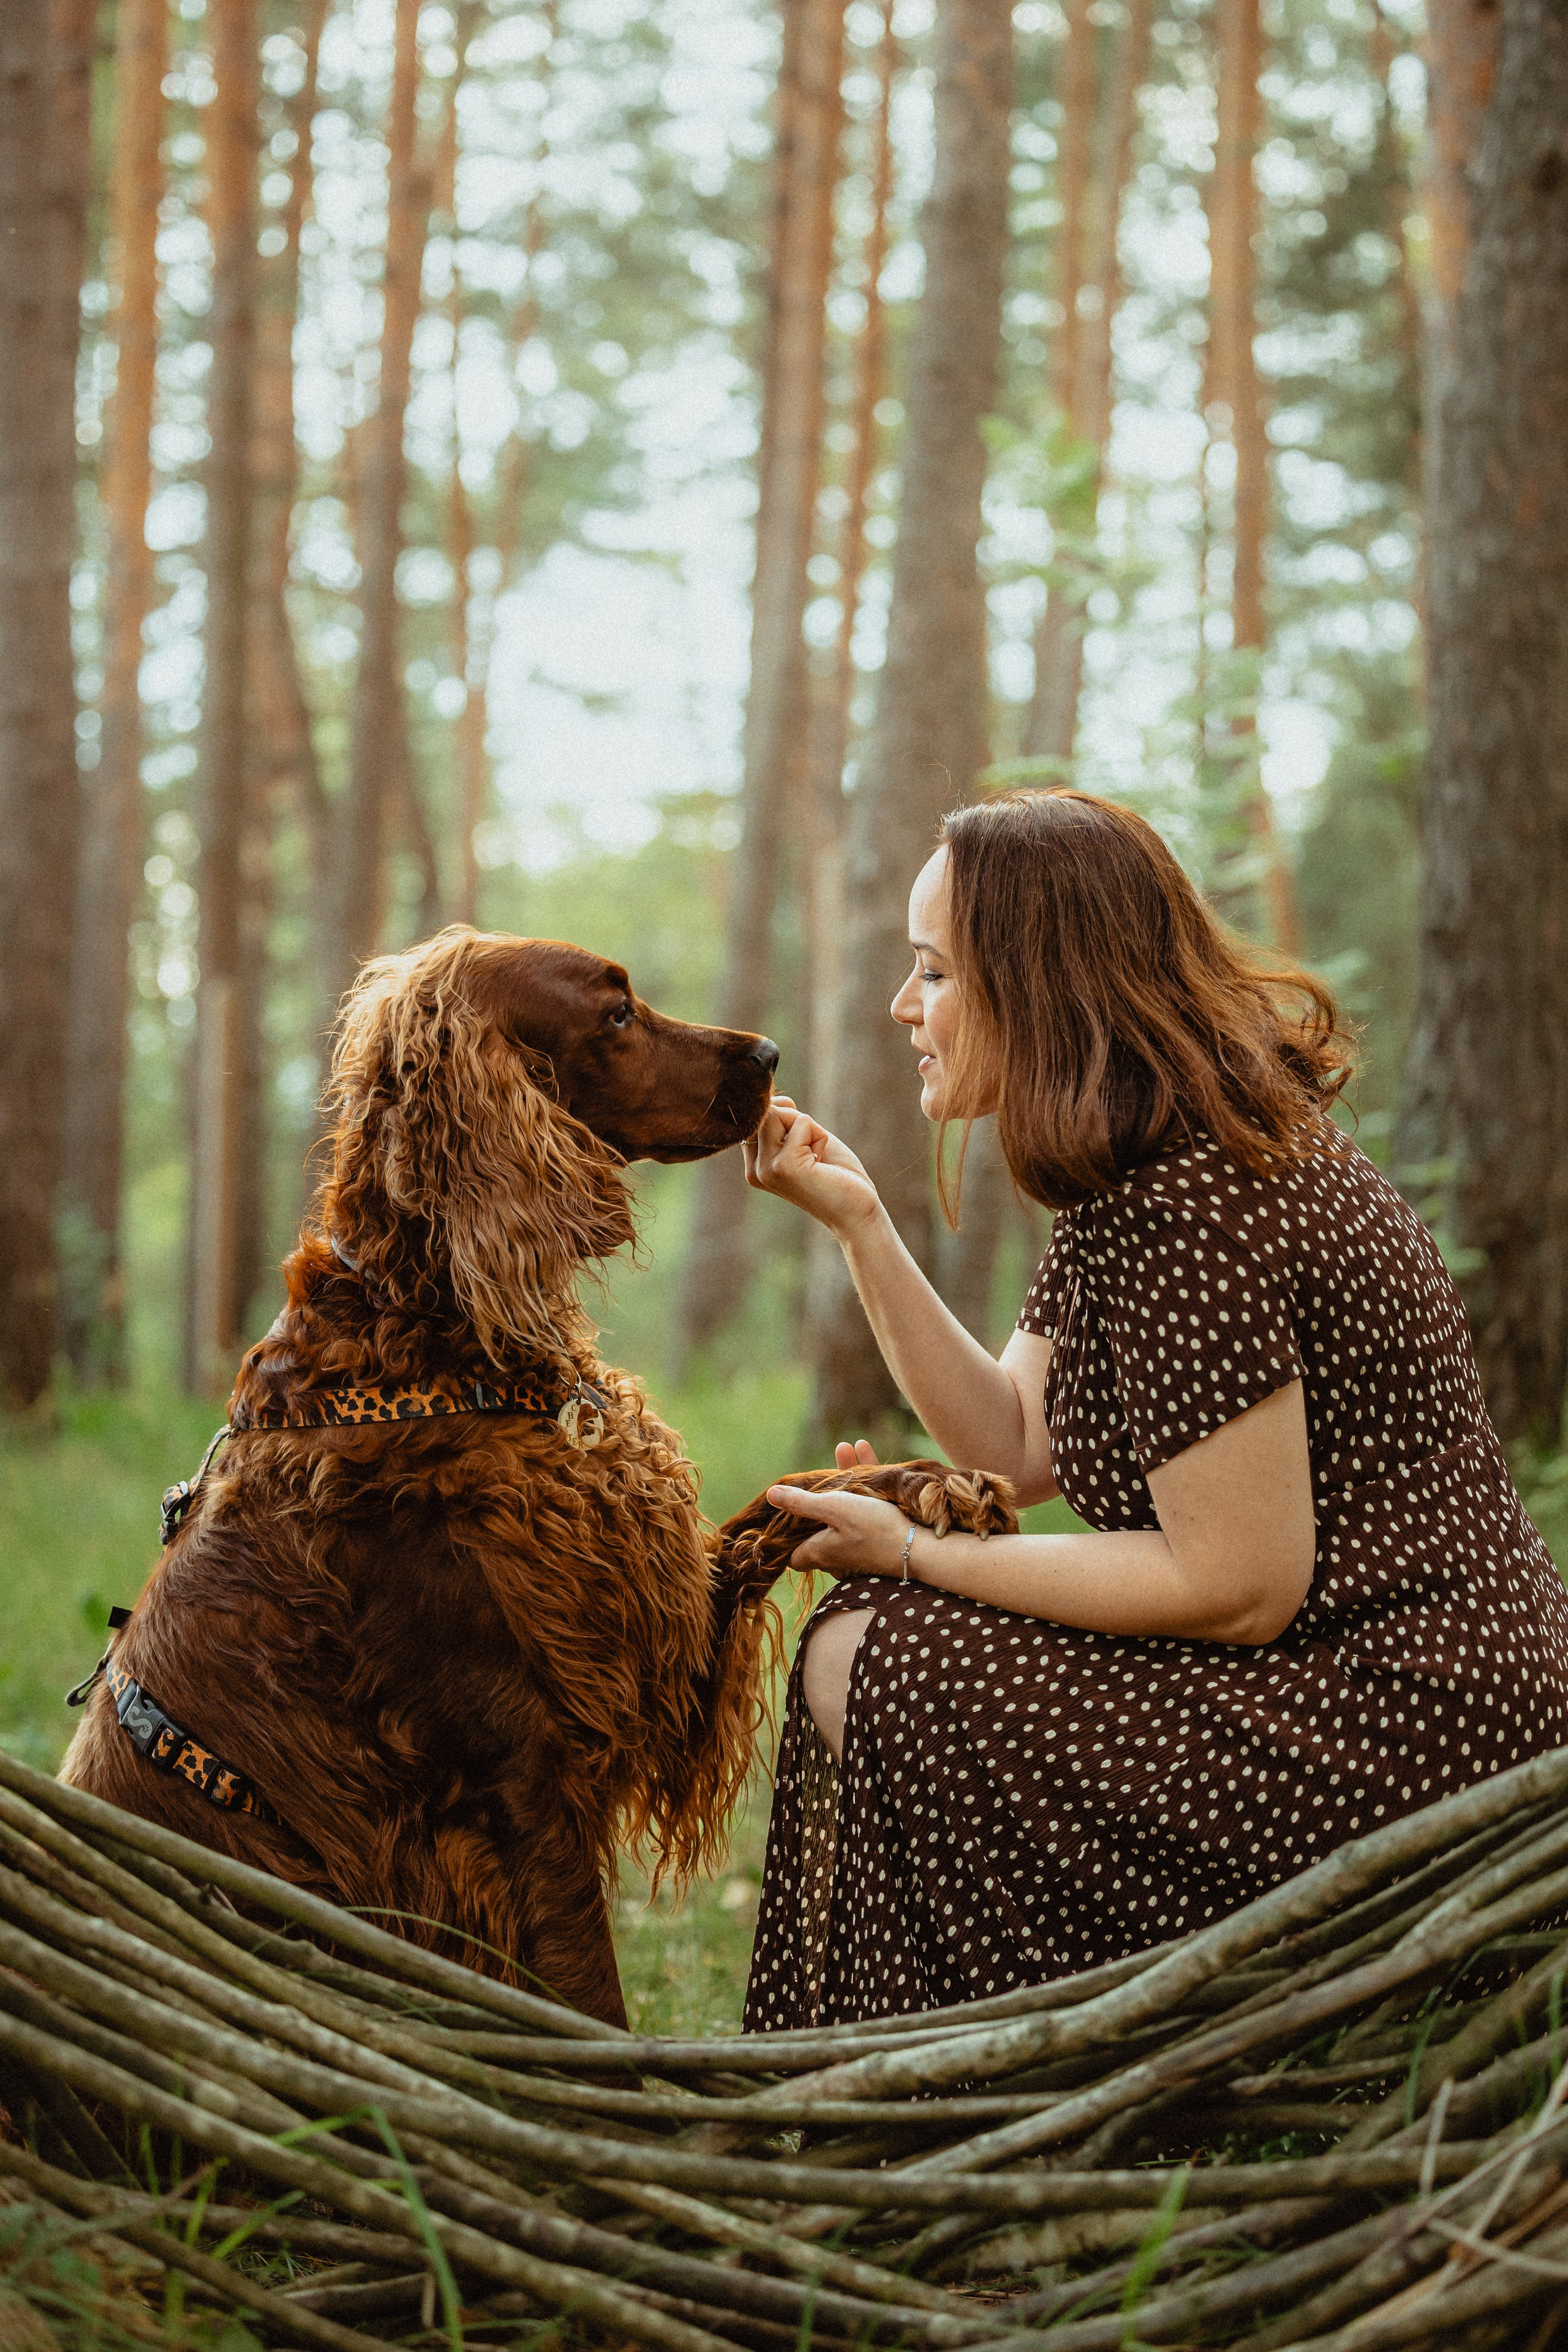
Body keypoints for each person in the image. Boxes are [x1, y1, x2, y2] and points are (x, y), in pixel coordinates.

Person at [738, 788, 1568, 2033]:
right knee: (882, 1632)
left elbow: (1234, 1587)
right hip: (1355, 1677)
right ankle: (1028, 2041)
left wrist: (912, 1550)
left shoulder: (1193, 1203)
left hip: (1406, 1720)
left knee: (882, 1653)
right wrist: (861, 1224)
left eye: (935, 973)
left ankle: (1043, 2050)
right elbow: (1015, 1446)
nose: (905, 1006)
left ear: (1039, 987)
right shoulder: (1136, 1162)